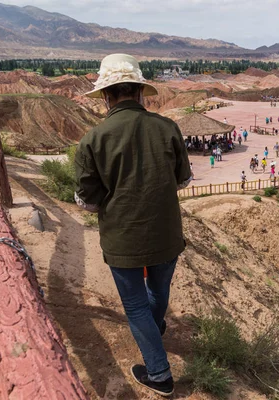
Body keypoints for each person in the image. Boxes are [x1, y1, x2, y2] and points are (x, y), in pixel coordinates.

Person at [75, 54, 192, 397]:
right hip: (167, 234)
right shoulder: (168, 128)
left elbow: (88, 201)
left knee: (136, 306)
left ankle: (159, 374)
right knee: (158, 292)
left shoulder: (94, 140)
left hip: (123, 239)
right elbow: (183, 181)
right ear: (141, 91)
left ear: (107, 96)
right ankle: (154, 331)